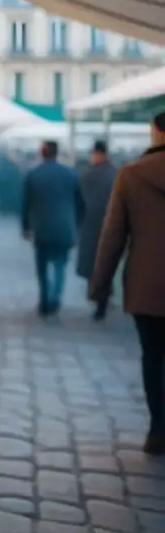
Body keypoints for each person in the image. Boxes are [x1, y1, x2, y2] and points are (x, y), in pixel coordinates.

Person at [89, 113, 165, 454]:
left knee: (153, 356)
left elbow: (113, 236)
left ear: (157, 132)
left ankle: (158, 429)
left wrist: (100, 285)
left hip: (147, 286)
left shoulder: (132, 175)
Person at [22, 140, 83, 317]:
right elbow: (80, 204)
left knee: (42, 267)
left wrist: (26, 227)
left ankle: (44, 301)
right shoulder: (71, 174)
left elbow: (26, 204)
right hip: (65, 228)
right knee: (60, 266)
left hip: (42, 229)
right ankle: (55, 299)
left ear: (42, 153)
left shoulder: (33, 175)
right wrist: (77, 225)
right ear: (57, 153)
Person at [76, 140, 116, 320]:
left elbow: (79, 202)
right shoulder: (117, 174)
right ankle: (103, 298)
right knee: (107, 263)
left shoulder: (87, 175)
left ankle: (98, 298)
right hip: (113, 227)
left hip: (92, 226)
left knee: (94, 264)